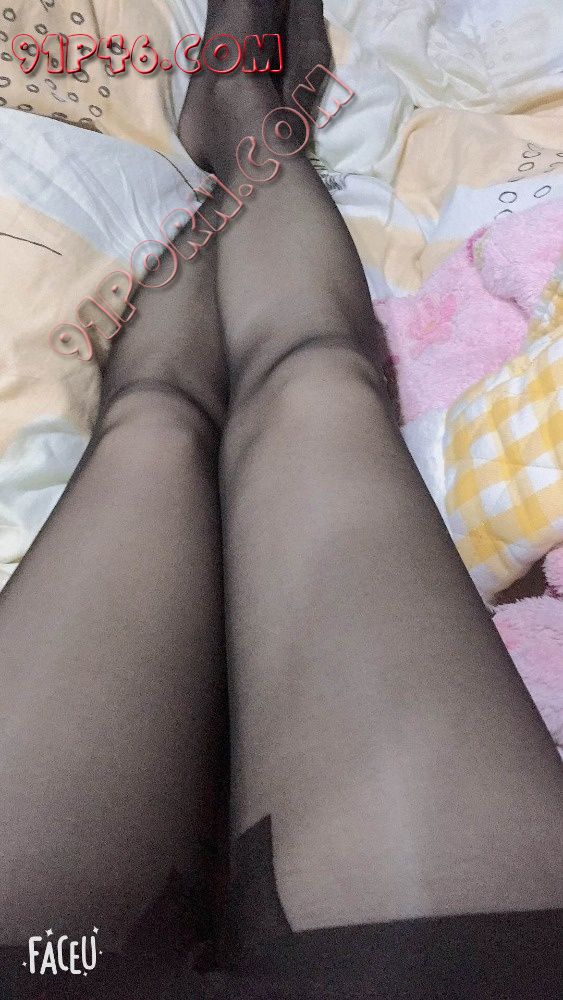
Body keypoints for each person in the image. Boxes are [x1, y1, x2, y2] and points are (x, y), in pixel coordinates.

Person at [0, 2, 561, 997]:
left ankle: (241, 123)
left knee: (156, 423)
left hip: (53, 962)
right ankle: (251, 121)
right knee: (309, 379)